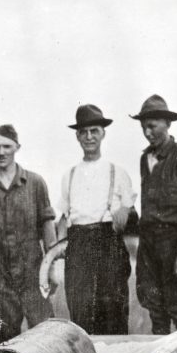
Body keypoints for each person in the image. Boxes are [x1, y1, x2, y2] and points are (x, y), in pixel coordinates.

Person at [0, 124, 57, 345]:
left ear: (17, 147)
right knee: (2, 343)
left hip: (33, 275)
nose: (1, 152)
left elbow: (48, 228)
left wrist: (52, 269)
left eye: (6, 146)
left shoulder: (35, 183)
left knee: (45, 336)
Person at [57, 104, 134, 334]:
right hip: (78, 246)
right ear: (78, 136)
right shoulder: (69, 174)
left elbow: (128, 212)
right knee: (80, 313)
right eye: (84, 132)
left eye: (94, 131)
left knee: (113, 313)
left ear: (103, 133)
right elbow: (63, 218)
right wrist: (59, 252)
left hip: (108, 245)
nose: (89, 137)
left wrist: (124, 214)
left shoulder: (117, 172)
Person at [130, 94, 177, 334]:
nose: (147, 132)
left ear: (167, 124)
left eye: (152, 126)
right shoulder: (144, 159)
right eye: (143, 127)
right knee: (155, 309)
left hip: (174, 244)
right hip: (149, 243)